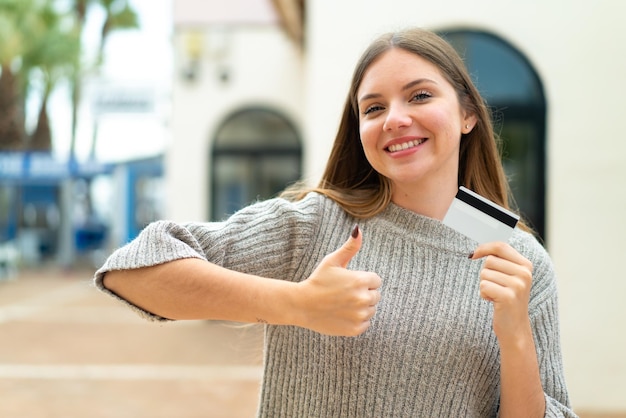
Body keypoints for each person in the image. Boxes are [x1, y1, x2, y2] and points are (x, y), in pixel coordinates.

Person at [94, 27, 576, 417]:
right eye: (374, 108)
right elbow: (133, 268)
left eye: (420, 95)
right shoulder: (317, 224)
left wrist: (515, 337)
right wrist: (297, 304)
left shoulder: (519, 258)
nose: (395, 119)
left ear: (467, 114)